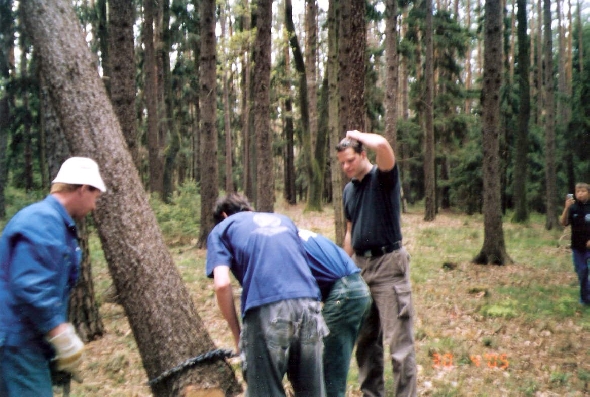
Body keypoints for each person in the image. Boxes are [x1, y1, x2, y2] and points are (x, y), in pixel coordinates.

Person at [0, 157, 106, 397]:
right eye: (95, 197)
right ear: (83, 189)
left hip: (22, 340)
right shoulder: (43, 221)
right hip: (16, 342)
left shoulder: (52, 221)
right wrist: (59, 332)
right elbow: (30, 286)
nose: (94, 207)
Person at [206, 193, 328, 397]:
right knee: (313, 392)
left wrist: (237, 336)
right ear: (249, 210)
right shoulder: (284, 221)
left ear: (224, 215)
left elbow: (222, 284)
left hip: (266, 307)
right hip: (309, 304)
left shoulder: (222, 228)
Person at [336, 130, 417, 397]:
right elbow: (350, 231)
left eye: (350, 160)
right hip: (361, 268)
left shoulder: (383, 178)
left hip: (389, 266)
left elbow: (383, 144)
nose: (346, 167)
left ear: (363, 154)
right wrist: (340, 265)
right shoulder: (349, 190)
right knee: (366, 343)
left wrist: (356, 133)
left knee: (399, 346)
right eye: (342, 163)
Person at [297, 229, 372, 397]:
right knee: (330, 369)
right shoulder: (294, 232)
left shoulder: (280, 240)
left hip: (345, 293)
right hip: (357, 288)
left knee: (327, 375)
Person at [560, 182, 590, 305]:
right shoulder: (573, 207)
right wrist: (566, 208)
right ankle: (585, 299)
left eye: (583, 191)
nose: (580, 194)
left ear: (588, 193)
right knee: (582, 272)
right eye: (578, 192)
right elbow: (563, 223)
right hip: (577, 247)